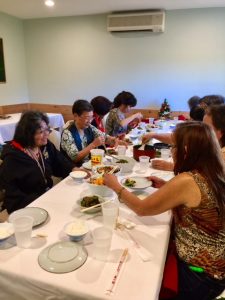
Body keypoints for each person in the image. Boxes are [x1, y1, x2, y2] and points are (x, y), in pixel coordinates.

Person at [104, 121, 225, 300]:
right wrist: (168, 186)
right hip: (217, 267)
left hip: (200, 274)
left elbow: (142, 208)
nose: (172, 150)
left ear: (185, 150)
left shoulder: (187, 180)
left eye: (173, 146)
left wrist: (116, 186)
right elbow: (197, 198)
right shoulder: (214, 169)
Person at [0, 111, 75, 213]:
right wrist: (44, 201)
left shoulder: (45, 145)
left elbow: (60, 161)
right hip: (26, 206)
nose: (46, 135)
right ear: (27, 134)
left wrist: (74, 169)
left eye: (47, 130)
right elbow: (14, 197)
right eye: (40, 132)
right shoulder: (12, 158)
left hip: (46, 195)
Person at [60, 99, 126, 166]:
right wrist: (93, 144)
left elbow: (104, 138)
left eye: (91, 118)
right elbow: (75, 158)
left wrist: (114, 140)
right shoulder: (67, 133)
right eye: (87, 118)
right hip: (74, 171)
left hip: (90, 165)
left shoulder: (90, 127)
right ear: (76, 116)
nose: (89, 121)